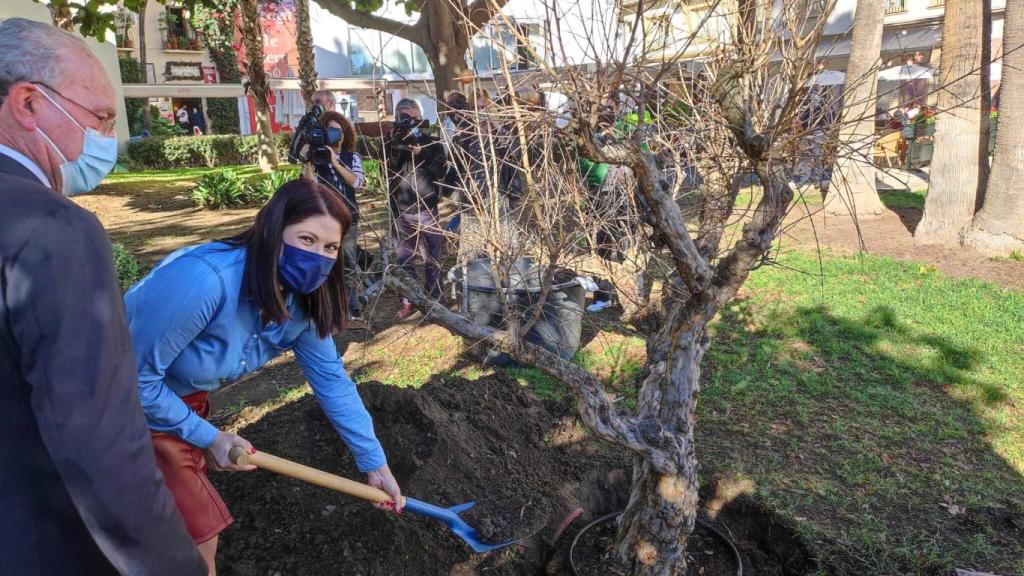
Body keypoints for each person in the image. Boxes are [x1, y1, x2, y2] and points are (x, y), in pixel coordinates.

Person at [0, 18, 206, 575]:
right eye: (100, 118)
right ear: (28, 103)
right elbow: (98, 440)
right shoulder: (53, 229)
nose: (107, 141)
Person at [124, 179, 404, 574]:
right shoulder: (205, 281)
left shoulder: (304, 302)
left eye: (330, 247)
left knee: (186, 539)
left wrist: (376, 465)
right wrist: (210, 438)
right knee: (193, 541)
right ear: (274, 231)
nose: (318, 257)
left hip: (174, 408)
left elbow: (332, 382)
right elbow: (134, 381)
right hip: (115, 404)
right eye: (306, 239)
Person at [386, 98, 449, 320]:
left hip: (426, 208)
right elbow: (387, 172)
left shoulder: (432, 143)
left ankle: (435, 299)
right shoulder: (390, 143)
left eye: (413, 119)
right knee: (405, 258)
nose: (409, 123)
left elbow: (441, 172)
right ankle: (409, 300)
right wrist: (396, 145)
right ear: (396, 118)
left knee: (432, 256)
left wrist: (421, 152)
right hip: (400, 209)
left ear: (420, 119)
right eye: (404, 118)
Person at [313, 110, 367, 319]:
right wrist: (308, 161)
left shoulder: (352, 157)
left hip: (348, 217)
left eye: (339, 131)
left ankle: (352, 305)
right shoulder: (316, 158)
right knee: (324, 262)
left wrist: (335, 163)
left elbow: (358, 182)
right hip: (323, 219)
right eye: (331, 130)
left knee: (349, 262)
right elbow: (308, 186)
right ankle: (328, 306)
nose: (336, 135)